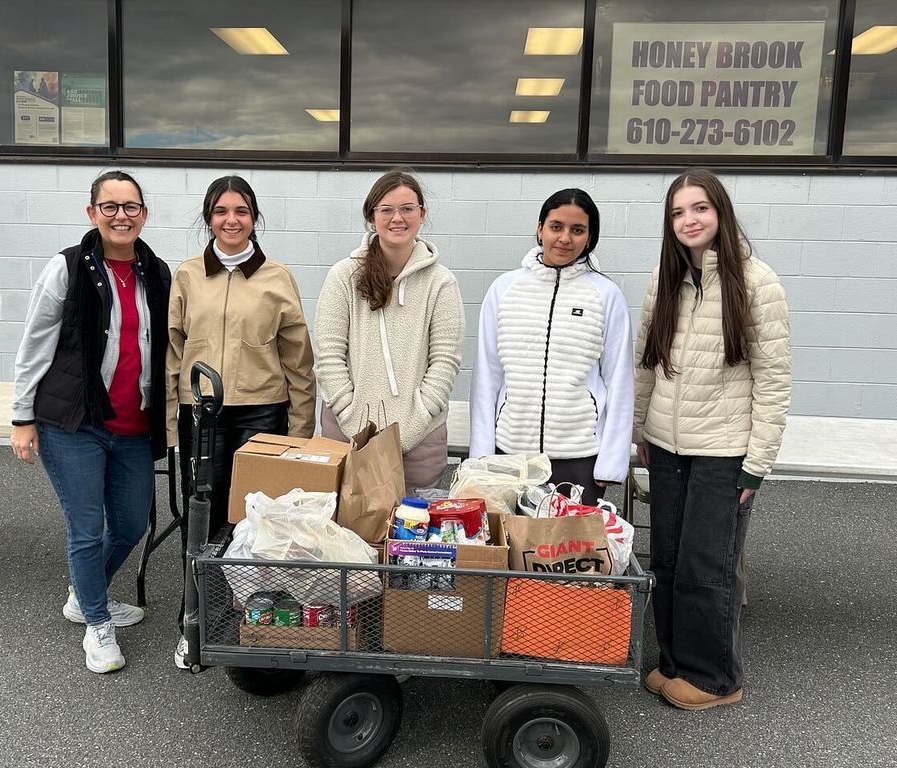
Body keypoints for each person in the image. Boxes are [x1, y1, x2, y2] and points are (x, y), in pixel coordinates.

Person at [635, 167, 791, 711]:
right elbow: (646, 365)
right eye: (677, 212)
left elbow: (773, 379)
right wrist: (640, 431)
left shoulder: (757, 282)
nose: (688, 220)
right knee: (669, 562)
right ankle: (675, 663)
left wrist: (758, 463)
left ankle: (715, 679)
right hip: (667, 445)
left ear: (720, 212)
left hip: (724, 450)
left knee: (708, 565)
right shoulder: (665, 279)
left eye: (698, 208)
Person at [10, 170, 171, 674]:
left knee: (129, 524)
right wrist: (22, 416)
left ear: (144, 214)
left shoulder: (156, 271)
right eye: (110, 206)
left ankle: (84, 596)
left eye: (130, 207)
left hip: (133, 425)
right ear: (92, 212)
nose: (121, 215)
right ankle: (97, 623)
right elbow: (35, 340)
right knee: (85, 528)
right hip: (73, 422)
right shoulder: (68, 268)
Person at [166, 175, 316, 666]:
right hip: (202, 413)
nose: (231, 220)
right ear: (209, 217)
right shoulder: (187, 275)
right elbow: (173, 352)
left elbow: (299, 359)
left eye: (242, 211)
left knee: (255, 516)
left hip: (261, 411)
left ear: (254, 218)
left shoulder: (276, 277)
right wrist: (172, 422)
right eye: (221, 211)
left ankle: (252, 611)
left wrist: (299, 432)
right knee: (202, 514)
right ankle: (197, 616)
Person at [469, 188, 633, 505]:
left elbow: (620, 381)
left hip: (580, 456)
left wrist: (611, 462)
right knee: (512, 549)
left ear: (590, 236)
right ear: (540, 228)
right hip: (511, 453)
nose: (565, 238)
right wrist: (482, 455)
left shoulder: (606, 294)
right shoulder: (505, 289)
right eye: (556, 226)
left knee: (570, 552)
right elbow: (487, 376)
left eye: (577, 230)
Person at [314, 169, 465, 493]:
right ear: (372, 216)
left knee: (409, 534)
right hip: (346, 430)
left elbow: (445, 361)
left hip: (420, 437)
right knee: (344, 530)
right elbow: (327, 353)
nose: (397, 218)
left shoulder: (441, 282)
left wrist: (415, 421)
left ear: (422, 214)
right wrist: (352, 417)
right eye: (386, 209)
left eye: (407, 208)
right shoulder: (343, 275)